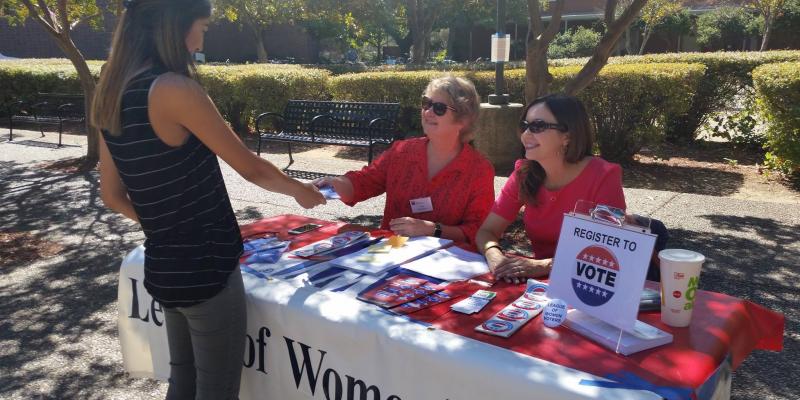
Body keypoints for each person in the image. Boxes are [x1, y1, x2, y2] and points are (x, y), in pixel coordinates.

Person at [90, 1, 325, 398]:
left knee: (183, 379)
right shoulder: (172, 89)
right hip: (207, 268)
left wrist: (164, 227)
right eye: (201, 26)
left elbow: (112, 196)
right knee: (216, 390)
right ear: (175, 27)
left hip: (164, 266)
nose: (202, 38)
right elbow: (250, 168)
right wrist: (301, 191)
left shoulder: (112, 91)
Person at [314, 76, 495, 249]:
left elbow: (477, 231)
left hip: (445, 264)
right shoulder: (402, 152)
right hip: (393, 251)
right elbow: (363, 182)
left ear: (463, 120)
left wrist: (432, 229)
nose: (428, 112)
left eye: (439, 108)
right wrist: (333, 185)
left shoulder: (479, 170)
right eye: (426, 104)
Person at [476, 94, 626, 284]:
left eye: (537, 126)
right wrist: (494, 255)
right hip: (539, 285)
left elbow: (611, 251)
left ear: (567, 135)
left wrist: (545, 265)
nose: (525, 134)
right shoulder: (524, 173)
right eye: (525, 125)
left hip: (589, 286)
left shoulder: (604, 176)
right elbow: (487, 231)